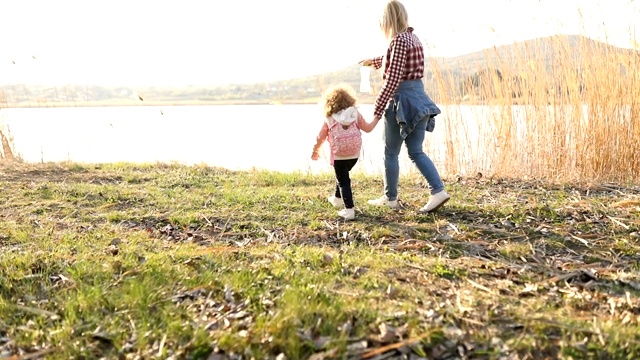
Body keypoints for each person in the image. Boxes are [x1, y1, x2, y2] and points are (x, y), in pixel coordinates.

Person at [361, 0, 450, 213]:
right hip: (419, 99)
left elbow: (393, 79)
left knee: (390, 151)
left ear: (387, 20)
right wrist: (373, 61)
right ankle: (438, 191)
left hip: (402, 102)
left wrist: (376, 111)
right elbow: (398, 60)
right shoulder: (413, 38)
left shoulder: (398, 40)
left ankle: (390, 198)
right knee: (416, 150)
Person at [311, 84, 380, 220]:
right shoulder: (354, 114)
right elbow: (367, 128)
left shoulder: (329, 117)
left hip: (339, 155)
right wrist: (376, 118)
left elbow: (321, 137)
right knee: (342, 175)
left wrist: (316, 150)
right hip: (354, 154)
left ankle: (349, 210)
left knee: (343, 180)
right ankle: (337, 199)